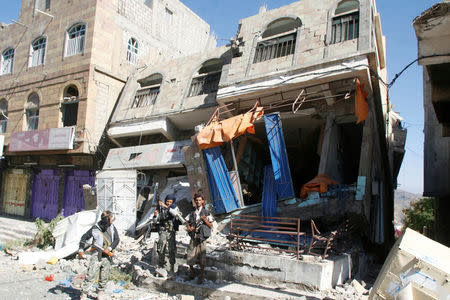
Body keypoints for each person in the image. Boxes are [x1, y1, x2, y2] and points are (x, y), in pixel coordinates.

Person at [78, 210, 119, 300]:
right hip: (96, 255)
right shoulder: (95, 228)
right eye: (111, 218)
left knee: (104, 276)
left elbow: (117, 240)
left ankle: (100, 293)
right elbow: (84, 237)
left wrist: (110, 248)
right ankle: (84, 293)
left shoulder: (112, 228)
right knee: (91, 274)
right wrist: (81, 249)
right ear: (107, 219)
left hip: (107, 255)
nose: (113, 220)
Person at [186, 193, 213, 284]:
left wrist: (205, 220)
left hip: (202, 237)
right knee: (190, 255)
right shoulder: (192, 213)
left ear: (203, 201)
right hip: (194, 237)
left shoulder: (206, 212)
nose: (198, 202)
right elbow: (187, 222)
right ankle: (192, 272)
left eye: (200, 200)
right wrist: (189, 228)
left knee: (202, 257)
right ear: (194, 201)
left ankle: (201, 275)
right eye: (196, 200)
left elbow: (211, 225)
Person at [153, 194, 181, 275]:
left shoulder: (174, 207)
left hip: (171, 232)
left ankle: (172, 266)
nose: (168, 203)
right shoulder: (162, 209)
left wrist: (166, 206)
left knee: (171, 249)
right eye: (167, 201)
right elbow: (155, 221)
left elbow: (175, 214)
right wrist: (155, 215)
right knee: (161, 248)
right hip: (163, 231)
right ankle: (161, 265)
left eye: (170, 202)